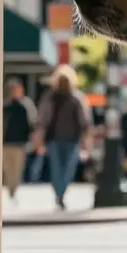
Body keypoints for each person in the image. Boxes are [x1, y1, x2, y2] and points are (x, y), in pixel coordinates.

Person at [33, 64, 92, 211]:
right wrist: (39, 137)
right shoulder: (51, 97)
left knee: (66, 169)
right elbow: (42, 120)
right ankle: (60, 194)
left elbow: (84, 121)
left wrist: (85, 139)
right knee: (59, 168)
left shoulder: (76, 98)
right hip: (55, 139)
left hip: (71, 139)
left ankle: (60, 193)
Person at [1, 79, 37, 202]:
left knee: (17, 169)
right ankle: (10, 189)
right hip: (6, 142)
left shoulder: (26, 105)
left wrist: (32, 139)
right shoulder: (4, 106)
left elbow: (32, 123)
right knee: (7, 168)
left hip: (20, 143)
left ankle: (13, 190)